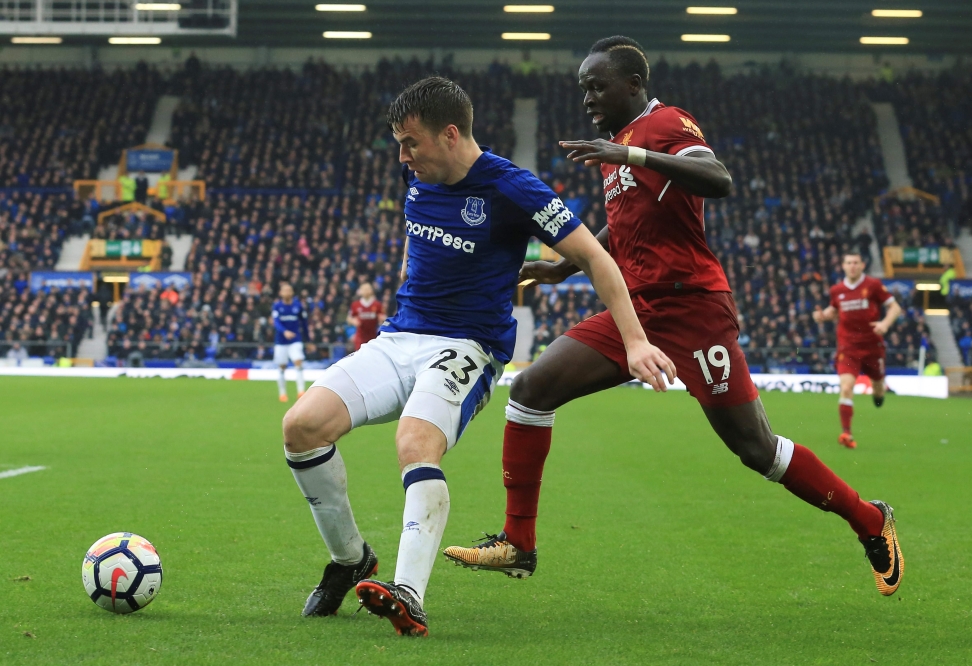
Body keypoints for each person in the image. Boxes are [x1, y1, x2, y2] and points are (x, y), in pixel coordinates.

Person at [443, 36, 904, 599]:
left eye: (597, 85)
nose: (588, 97)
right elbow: (626, 225)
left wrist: (630, 155)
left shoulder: (665, 124)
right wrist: (564, 267)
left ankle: (869, 519)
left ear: (633, 84)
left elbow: (719, 179)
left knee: (755, 449)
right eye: (583, 87)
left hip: (694, 311)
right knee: (532, 389)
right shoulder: (619, 144)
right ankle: (519, 542)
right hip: (635, 310)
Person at [279, 76, 674, 637]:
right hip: (400, 337)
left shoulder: (513, 189)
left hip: (468, 346)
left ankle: (407, 595)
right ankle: (351, 562)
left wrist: (635, 340)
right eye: (398, 143)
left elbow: (595, 257)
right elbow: (425, 243)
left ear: (449, 133)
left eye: (411, 143)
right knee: (301, 427)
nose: (403, 156)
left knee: (415, 443)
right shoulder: (419, 172)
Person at [813, 250, 902, 448]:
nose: (852, 266)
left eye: (856, 262)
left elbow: (895, 307)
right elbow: (834, 310)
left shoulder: (873, 285)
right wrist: (823, 316)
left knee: (878, 386)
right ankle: (846, 433)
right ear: (843, 266)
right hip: (848, 346)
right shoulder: (837, 290)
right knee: (846, 387)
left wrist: (885, 324)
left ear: (862, 265)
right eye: (849, 263)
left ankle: (878, 397)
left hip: (872, 345)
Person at [272, 281, 309, 402]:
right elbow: (276, 322)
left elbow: (304, 323)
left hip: (295, 340)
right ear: (281, 293)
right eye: (285, 290)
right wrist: (284, 331)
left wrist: (308, 340)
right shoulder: (277, 306)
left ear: (292, 292)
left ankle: (301, 392)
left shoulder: (298, 306)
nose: (287, 292)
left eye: (289, 290)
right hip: (281, 341)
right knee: (282, 366)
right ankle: (282, 394)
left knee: (298, 363)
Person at [347, 282, 385, 350]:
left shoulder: (377, 305)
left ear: (371, 291)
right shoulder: (355, 305)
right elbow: (349, 318)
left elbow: (384, 318)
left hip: (373, 336)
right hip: (360, 337)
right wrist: (353, 321)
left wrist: (382, 320)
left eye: (367, 289)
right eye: (364, 289)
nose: (366, 291)